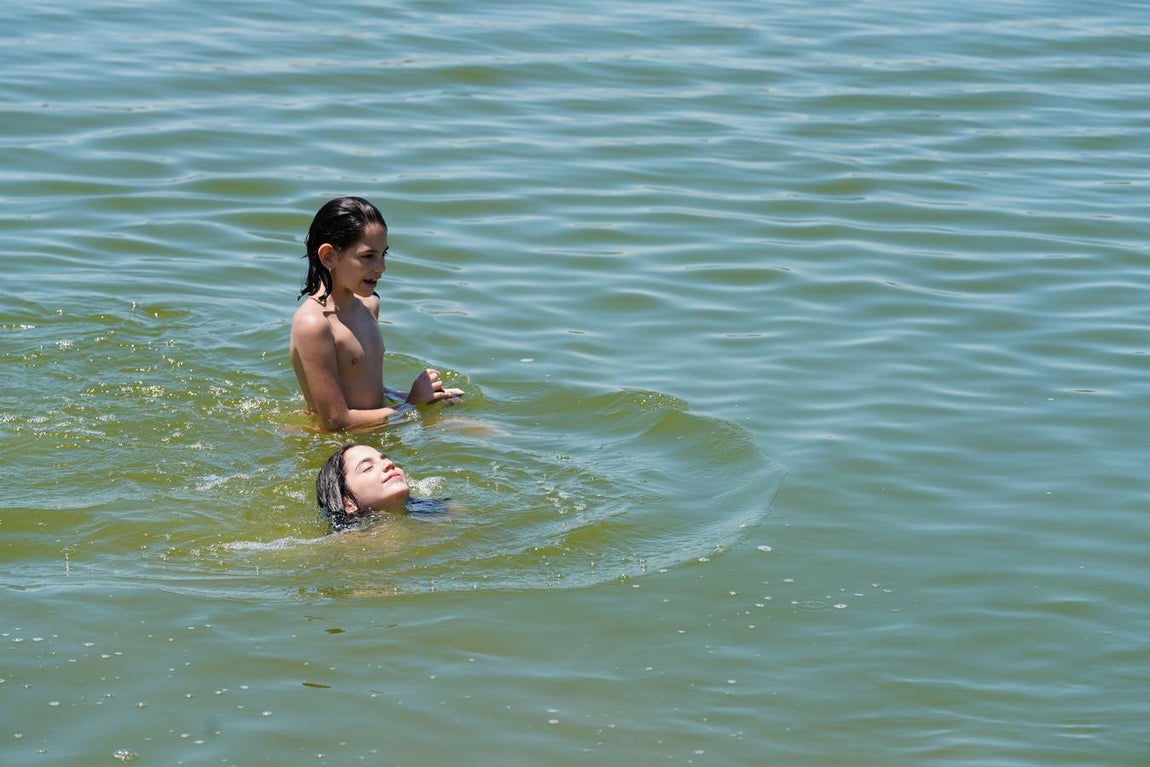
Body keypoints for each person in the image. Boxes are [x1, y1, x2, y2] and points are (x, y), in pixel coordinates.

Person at [290, 196, 463, 431]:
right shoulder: (314, 324)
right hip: (342, 449)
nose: (381, 267)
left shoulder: (369, 307)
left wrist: (422, 397)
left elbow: (365, 387)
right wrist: (412, 405)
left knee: (484, 431)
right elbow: (335, 421)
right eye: (368, 256)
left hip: (379, 431)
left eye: (384, 254)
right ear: (329, 256)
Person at [315, 444, 444, 531]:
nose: (389, 464)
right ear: (347, 502)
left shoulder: (441, 513)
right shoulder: (343, 548)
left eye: (385, 459)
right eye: (368, 468)